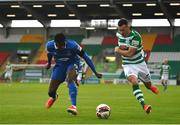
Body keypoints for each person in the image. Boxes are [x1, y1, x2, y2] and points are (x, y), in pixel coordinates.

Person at [45, 33, 102, 115]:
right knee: (50, 92)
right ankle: (54, 97)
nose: (60, 47)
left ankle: (73, 106)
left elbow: (86, 57)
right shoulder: (50, 45)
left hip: (72, 63)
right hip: (60, 66)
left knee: (70, 79)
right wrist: (49, 63)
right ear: (55, 43)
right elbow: (49, 53)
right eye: (58, 45)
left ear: (65, 42)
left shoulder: (73, 45)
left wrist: (95, 72)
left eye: (62, 45)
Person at [114, 18, 159, 114]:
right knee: (134, 81)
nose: (121, 32)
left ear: (128, 27)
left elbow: (130, 53)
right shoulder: (119, 35)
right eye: (119, 30)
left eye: (123, 30)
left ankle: (150, 86)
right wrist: (123, 48)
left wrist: (118, 50)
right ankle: (144, 105)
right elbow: (126, 51)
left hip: (140, 63)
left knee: (147, 84)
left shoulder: (136, 37)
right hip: (128, 65)